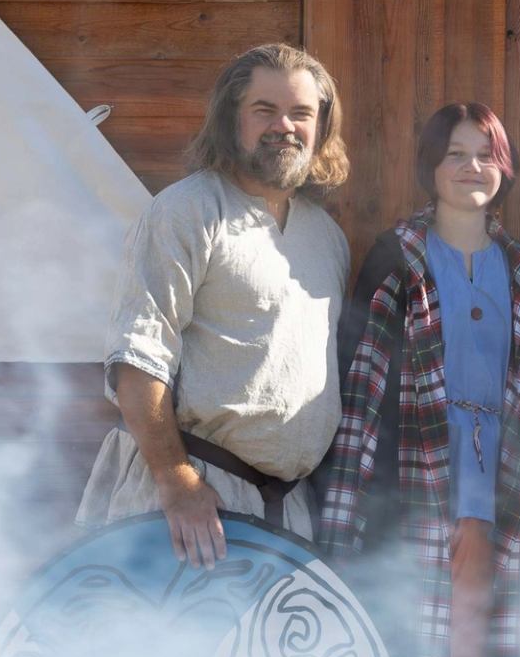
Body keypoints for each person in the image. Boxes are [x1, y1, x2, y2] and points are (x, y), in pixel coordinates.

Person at [317, 102, 520, 657]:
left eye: (485, 155)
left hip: (500, 488)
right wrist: (354, 502)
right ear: (430, 166)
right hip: (413, 486)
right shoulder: (396, 256)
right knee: (409, 656)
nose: (472, 167)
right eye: (456, 154)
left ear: (504, 167)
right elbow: (362, 383)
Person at [77, 43, 351, 561]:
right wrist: (177, 481)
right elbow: (138, 362)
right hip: (191, 502)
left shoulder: (327, 238)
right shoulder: (188, 211)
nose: (284, 126)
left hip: (286, 513)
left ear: (320, 126)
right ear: (232, 119)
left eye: (300, 113)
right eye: (264, 110)